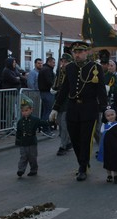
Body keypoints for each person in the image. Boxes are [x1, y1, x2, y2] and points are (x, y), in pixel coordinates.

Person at [49, 40, 107, 181]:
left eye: (80, 52)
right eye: (75, 52)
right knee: (75, 139)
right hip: (73, 108)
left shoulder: (95, 68)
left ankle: (82, 167)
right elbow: (64, 89)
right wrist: (55, 108)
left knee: (86, 139)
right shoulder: (69, 68)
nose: (77, 55)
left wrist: (104, 109)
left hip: (89, 108)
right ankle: (82, 161)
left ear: (86, 52)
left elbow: (101, 90)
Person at [15, 97, 51, 177]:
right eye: (23, 111)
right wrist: (18, 141)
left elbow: (43, 123)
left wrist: (50, 122)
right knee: (23, 157)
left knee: (32, 157)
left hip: (32, 141)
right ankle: (21, 170)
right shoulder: (20, 121)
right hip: (23, 141)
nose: (24, 113)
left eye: (26, 110)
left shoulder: (35, 119)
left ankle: (33, 170)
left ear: (31, 110)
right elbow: (18, 132)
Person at [96, 108, 117, 184]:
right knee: (107, 162)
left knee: (115, 162)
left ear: (115, 115)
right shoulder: (105, 125)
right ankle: (109, 175)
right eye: (108, 116)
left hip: (115, 147)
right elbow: (102, 134)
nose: (110, 117)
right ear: (105, 117)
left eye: (112, 114)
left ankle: (116, 176)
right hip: (107, 146)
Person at [51, 52, 74, 155]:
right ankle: (68, 142)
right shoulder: (60, 72)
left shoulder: (72, 72)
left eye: (66, 62)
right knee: (60, 122)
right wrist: (54, 88)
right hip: (59, 101)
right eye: (62, 61)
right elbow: (56, 83)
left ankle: (63, 146)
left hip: (69, 101)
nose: (63, 64)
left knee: (64, 123)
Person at [37, 56, 56, 123]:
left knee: (46, 110)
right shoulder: (47, 70)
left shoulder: (44, 69)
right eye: (53, 62)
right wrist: (55, 87)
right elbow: (49, 81)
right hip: (48, 92)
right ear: (49, 62)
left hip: (43, 92)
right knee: (48, 111)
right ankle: (46, 126)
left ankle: (43, 125)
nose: (54, 64)